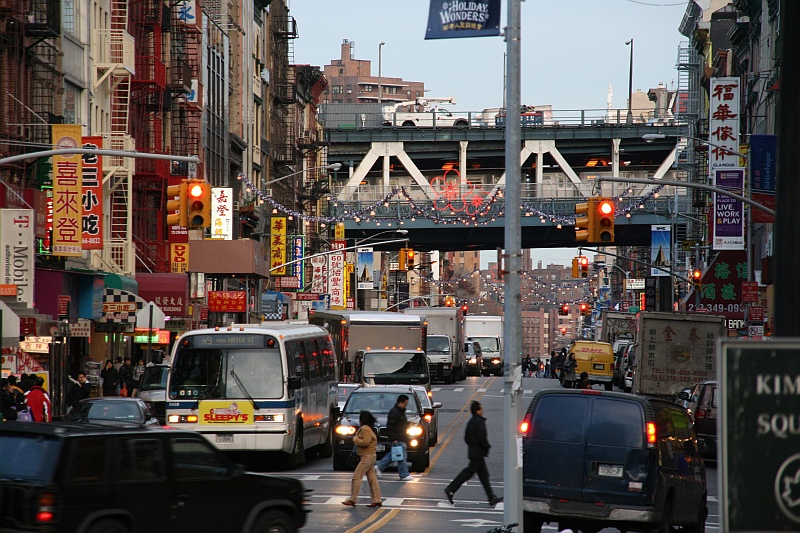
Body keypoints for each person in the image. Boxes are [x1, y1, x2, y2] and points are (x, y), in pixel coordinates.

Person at [444, 401, 502, 507]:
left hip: (474, 452)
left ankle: (491, 497)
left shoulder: (471, 422)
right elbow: (482, 438)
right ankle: (450, 489)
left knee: (484, 476)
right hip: (478, 454)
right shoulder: (479, 422)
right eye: (481, 409)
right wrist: (486, 446)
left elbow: (466, 438)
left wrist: (472, 446)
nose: (482, 411)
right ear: (477, 410)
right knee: (468, 473)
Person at [342, 410, 382, 508]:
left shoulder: (365, 429)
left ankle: (353, 499)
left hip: (367, 457)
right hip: (370, 456)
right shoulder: (368, 428)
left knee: (357, 476)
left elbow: (365, 442)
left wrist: (356, 439)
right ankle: (377, 500)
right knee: (372, 479)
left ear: (362, 420)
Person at [374, 394, 413, 481]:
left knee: (395, 455)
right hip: (398, 437)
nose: (406, 405)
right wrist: (393, 438)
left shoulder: (399, 411)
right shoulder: (395, 412)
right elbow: (390, 426)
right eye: (405, 403)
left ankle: (379, 467)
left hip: (400, 436)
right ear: (401, 402)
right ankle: (404, 474)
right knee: (401, 456)